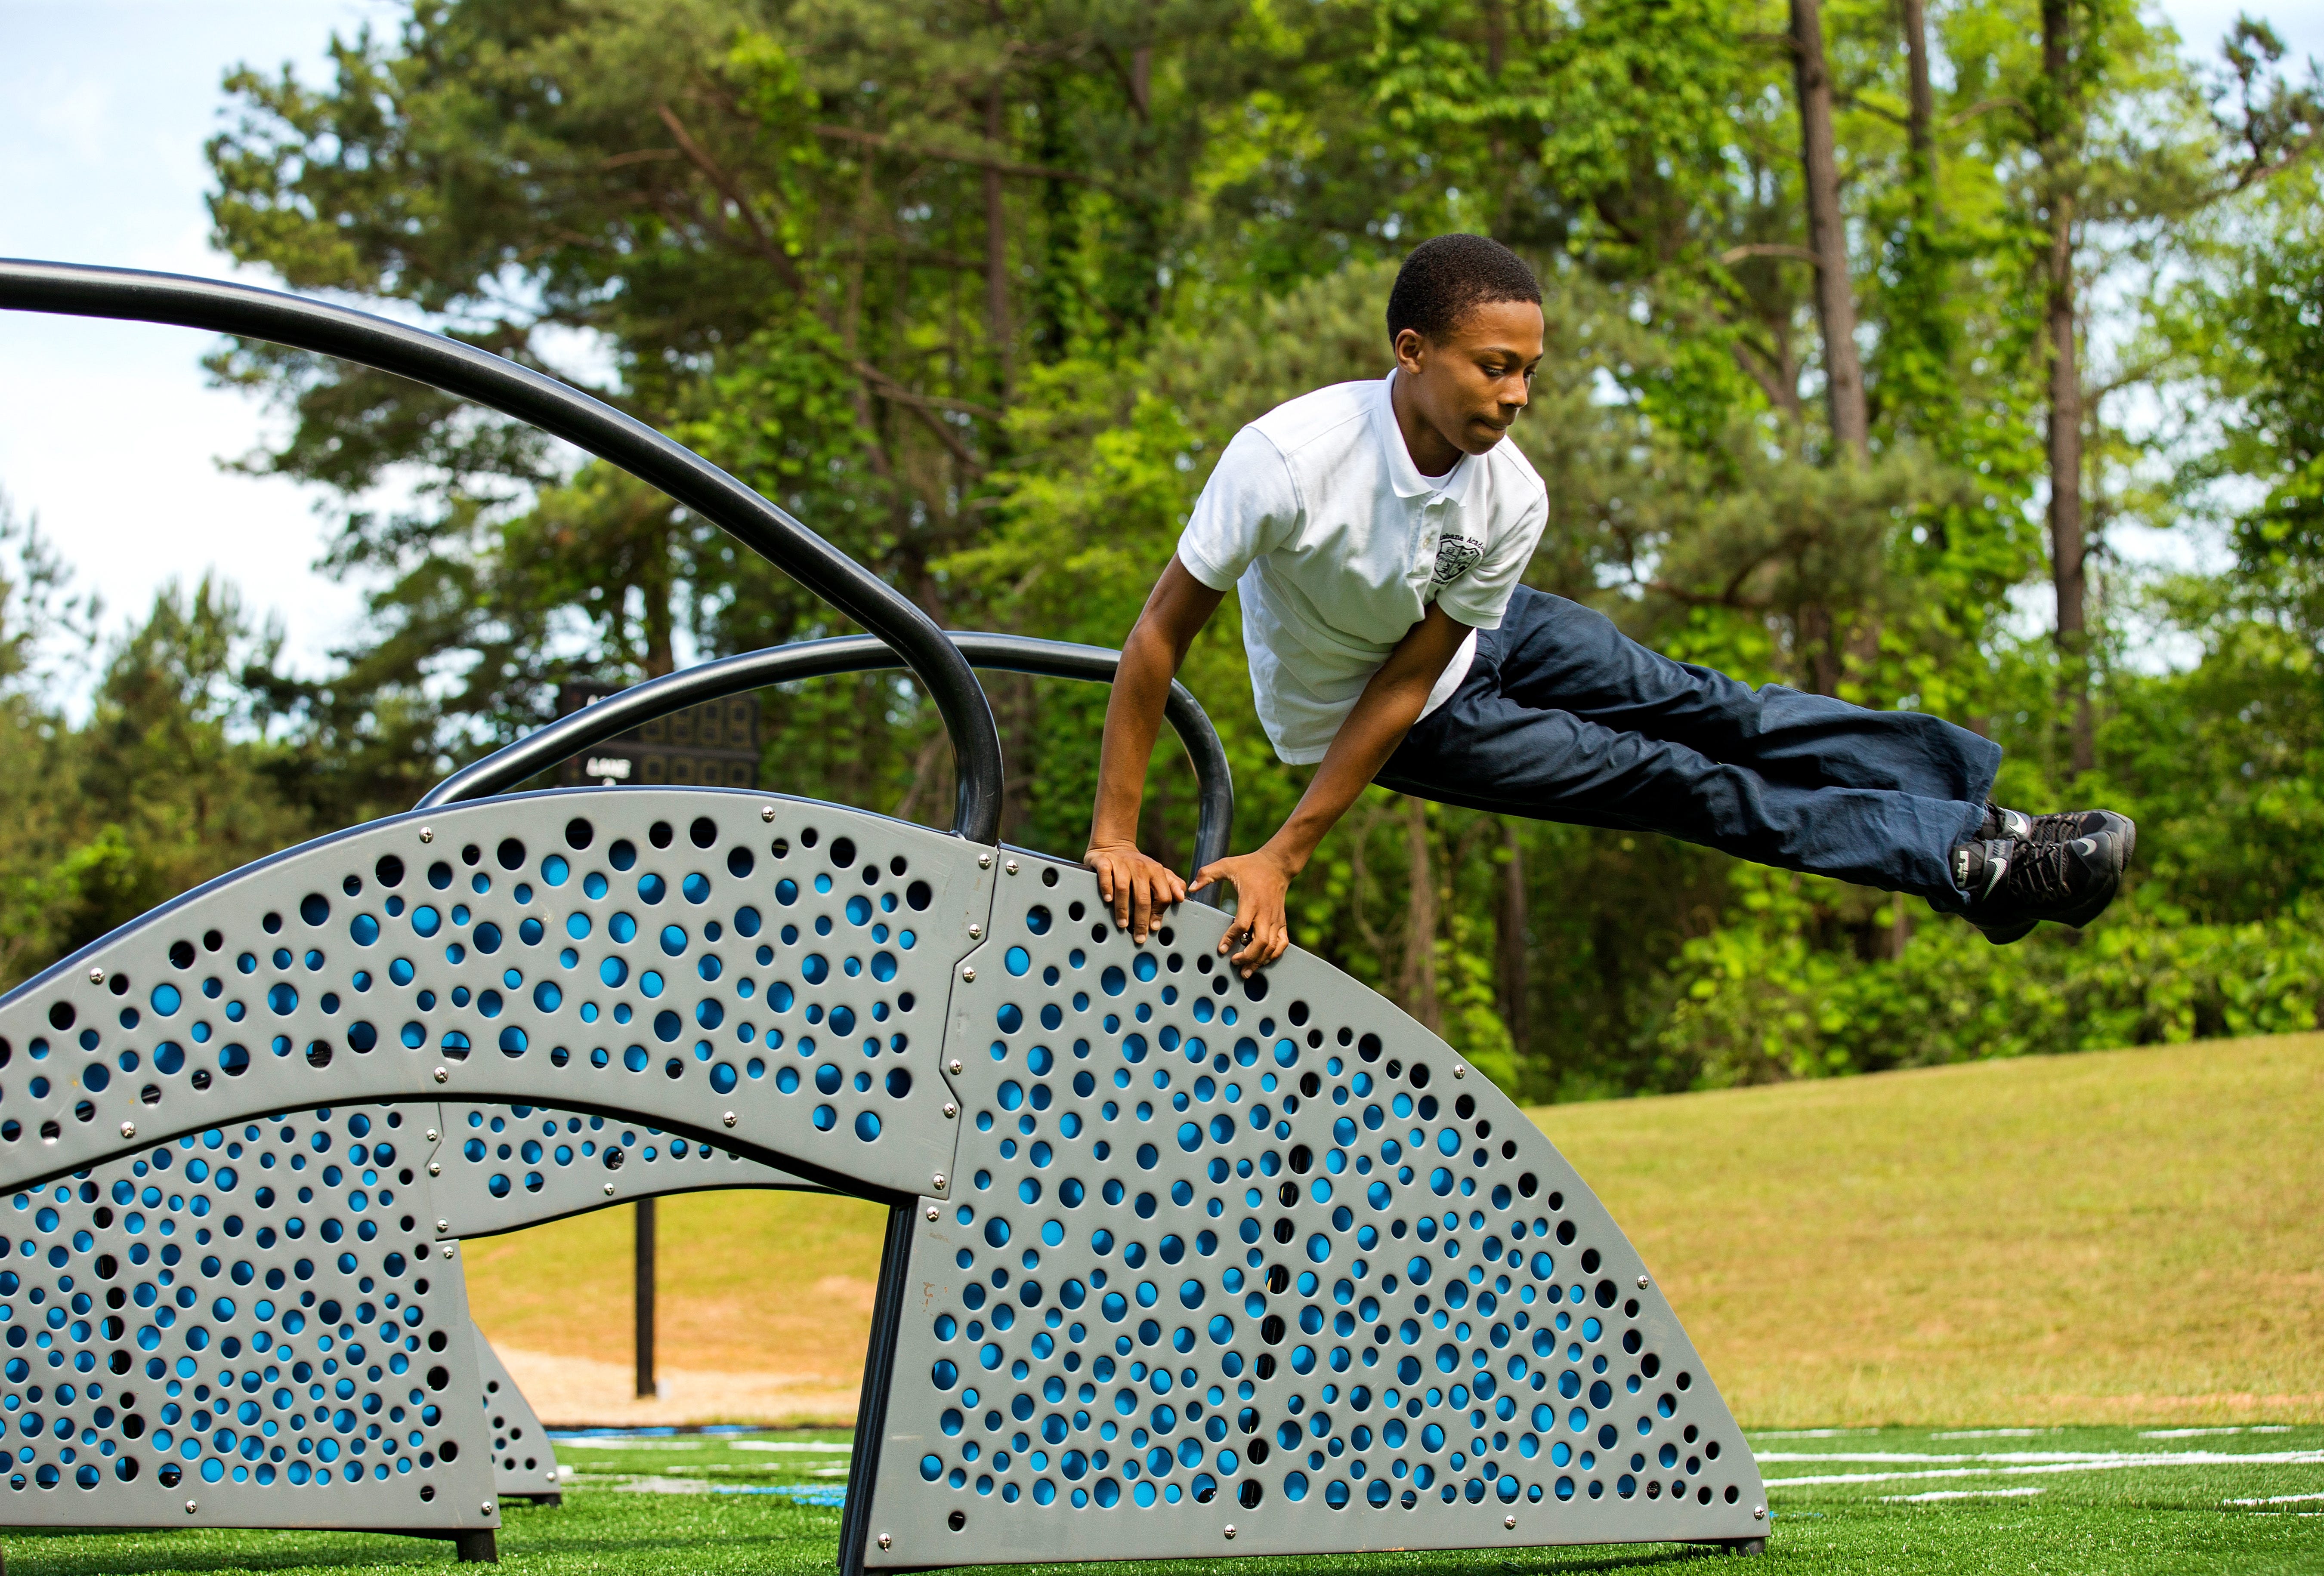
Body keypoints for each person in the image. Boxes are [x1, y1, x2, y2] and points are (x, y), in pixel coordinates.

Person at [1083, 234, 2135, 975]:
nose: (1518, 396)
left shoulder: (1513, 491)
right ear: (1412, 352)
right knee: (1680, 781)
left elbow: (1434, 647)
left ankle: (1992, 825)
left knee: (1721, 709)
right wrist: (1130, 838)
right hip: (1377, 714)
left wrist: (1280, 855)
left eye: (1530, 370)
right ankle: (1956, 862)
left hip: (1468, 637)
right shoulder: (1288, 460)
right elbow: (1161, 636)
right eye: (1496, 368)